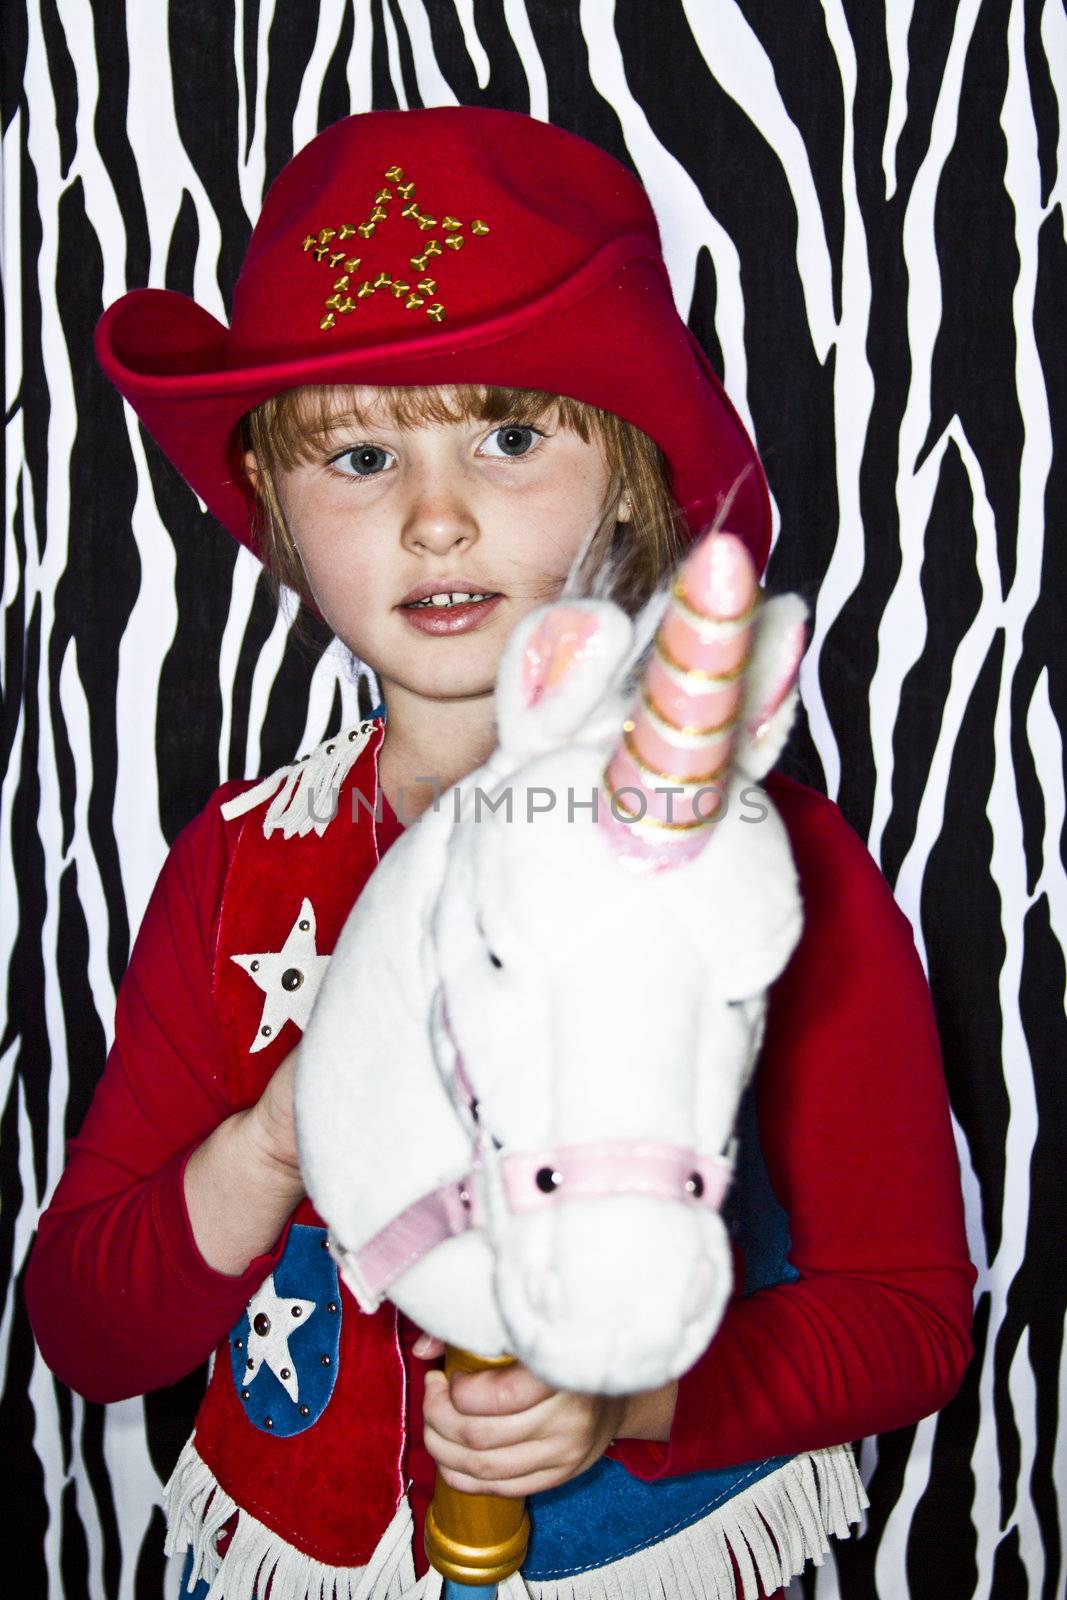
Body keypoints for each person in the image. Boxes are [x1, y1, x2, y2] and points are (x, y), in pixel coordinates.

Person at [24, 107, 975, 1600]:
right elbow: (86, 1332)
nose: (437, 515)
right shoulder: (234, 870)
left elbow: (909, 1316)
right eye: (358, 454)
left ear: (631, 472)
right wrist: (281, 1135)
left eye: (511, 434)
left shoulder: (762, 868)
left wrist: (642, 1401)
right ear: (275, 510)